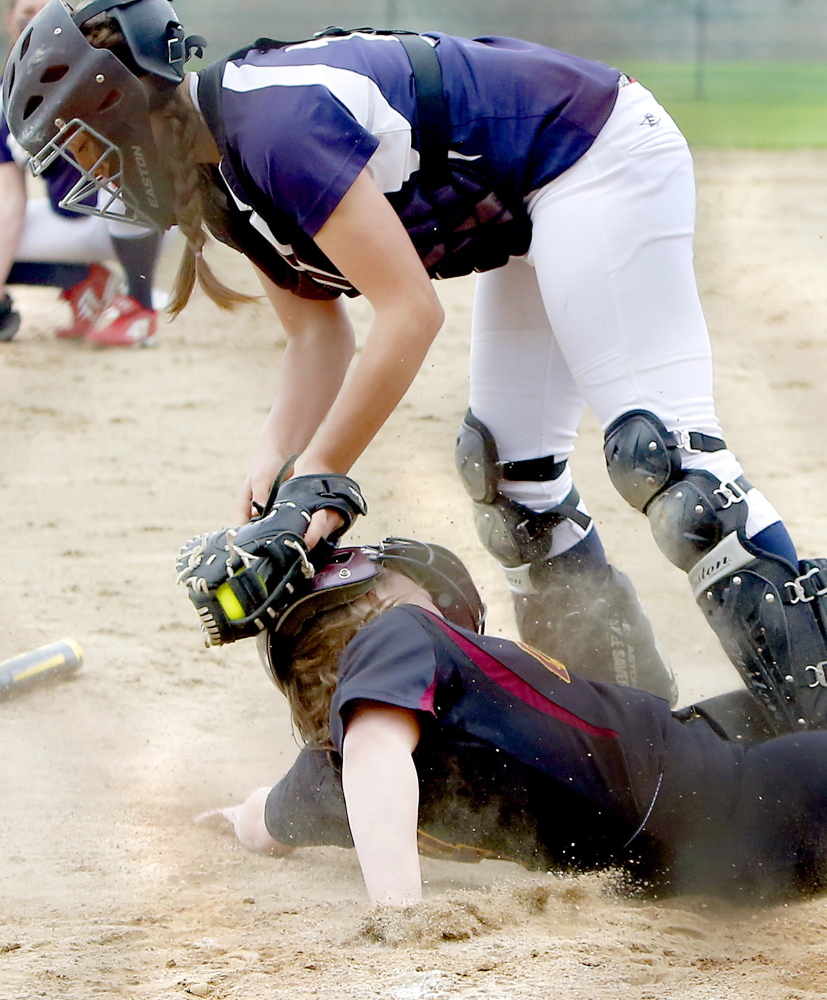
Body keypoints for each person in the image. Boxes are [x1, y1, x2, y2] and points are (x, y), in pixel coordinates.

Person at [7, 0, 827, 733]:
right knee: (511, 484)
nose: (87, 175)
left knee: (665, 461)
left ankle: (814, 711)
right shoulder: (218, 180)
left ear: (127, 104)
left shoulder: (272, 128)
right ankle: (627, 732)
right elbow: (315, 339)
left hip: (594, 156)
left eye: (84, 145)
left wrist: (321, 480)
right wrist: (275, 483)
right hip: (526, 207)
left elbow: (408, 312)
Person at [193, 537, 827, 907]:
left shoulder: (325, 777)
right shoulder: (395, 635)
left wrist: (233, 818)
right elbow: (376, 752)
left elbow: (266, 818)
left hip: (683, 829)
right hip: (739, 800)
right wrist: (399, 915)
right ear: (372, 597)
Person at [0, 0, 163, 345]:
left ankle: (140, 305)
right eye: (25, 12)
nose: (33, 22)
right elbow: (8, 199)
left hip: (148, 212)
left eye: (42, 12)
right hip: (75, 221)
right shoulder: (6, 98)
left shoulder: (97, 69)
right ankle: (85, 281)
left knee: (122, 177)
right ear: (8, 21)